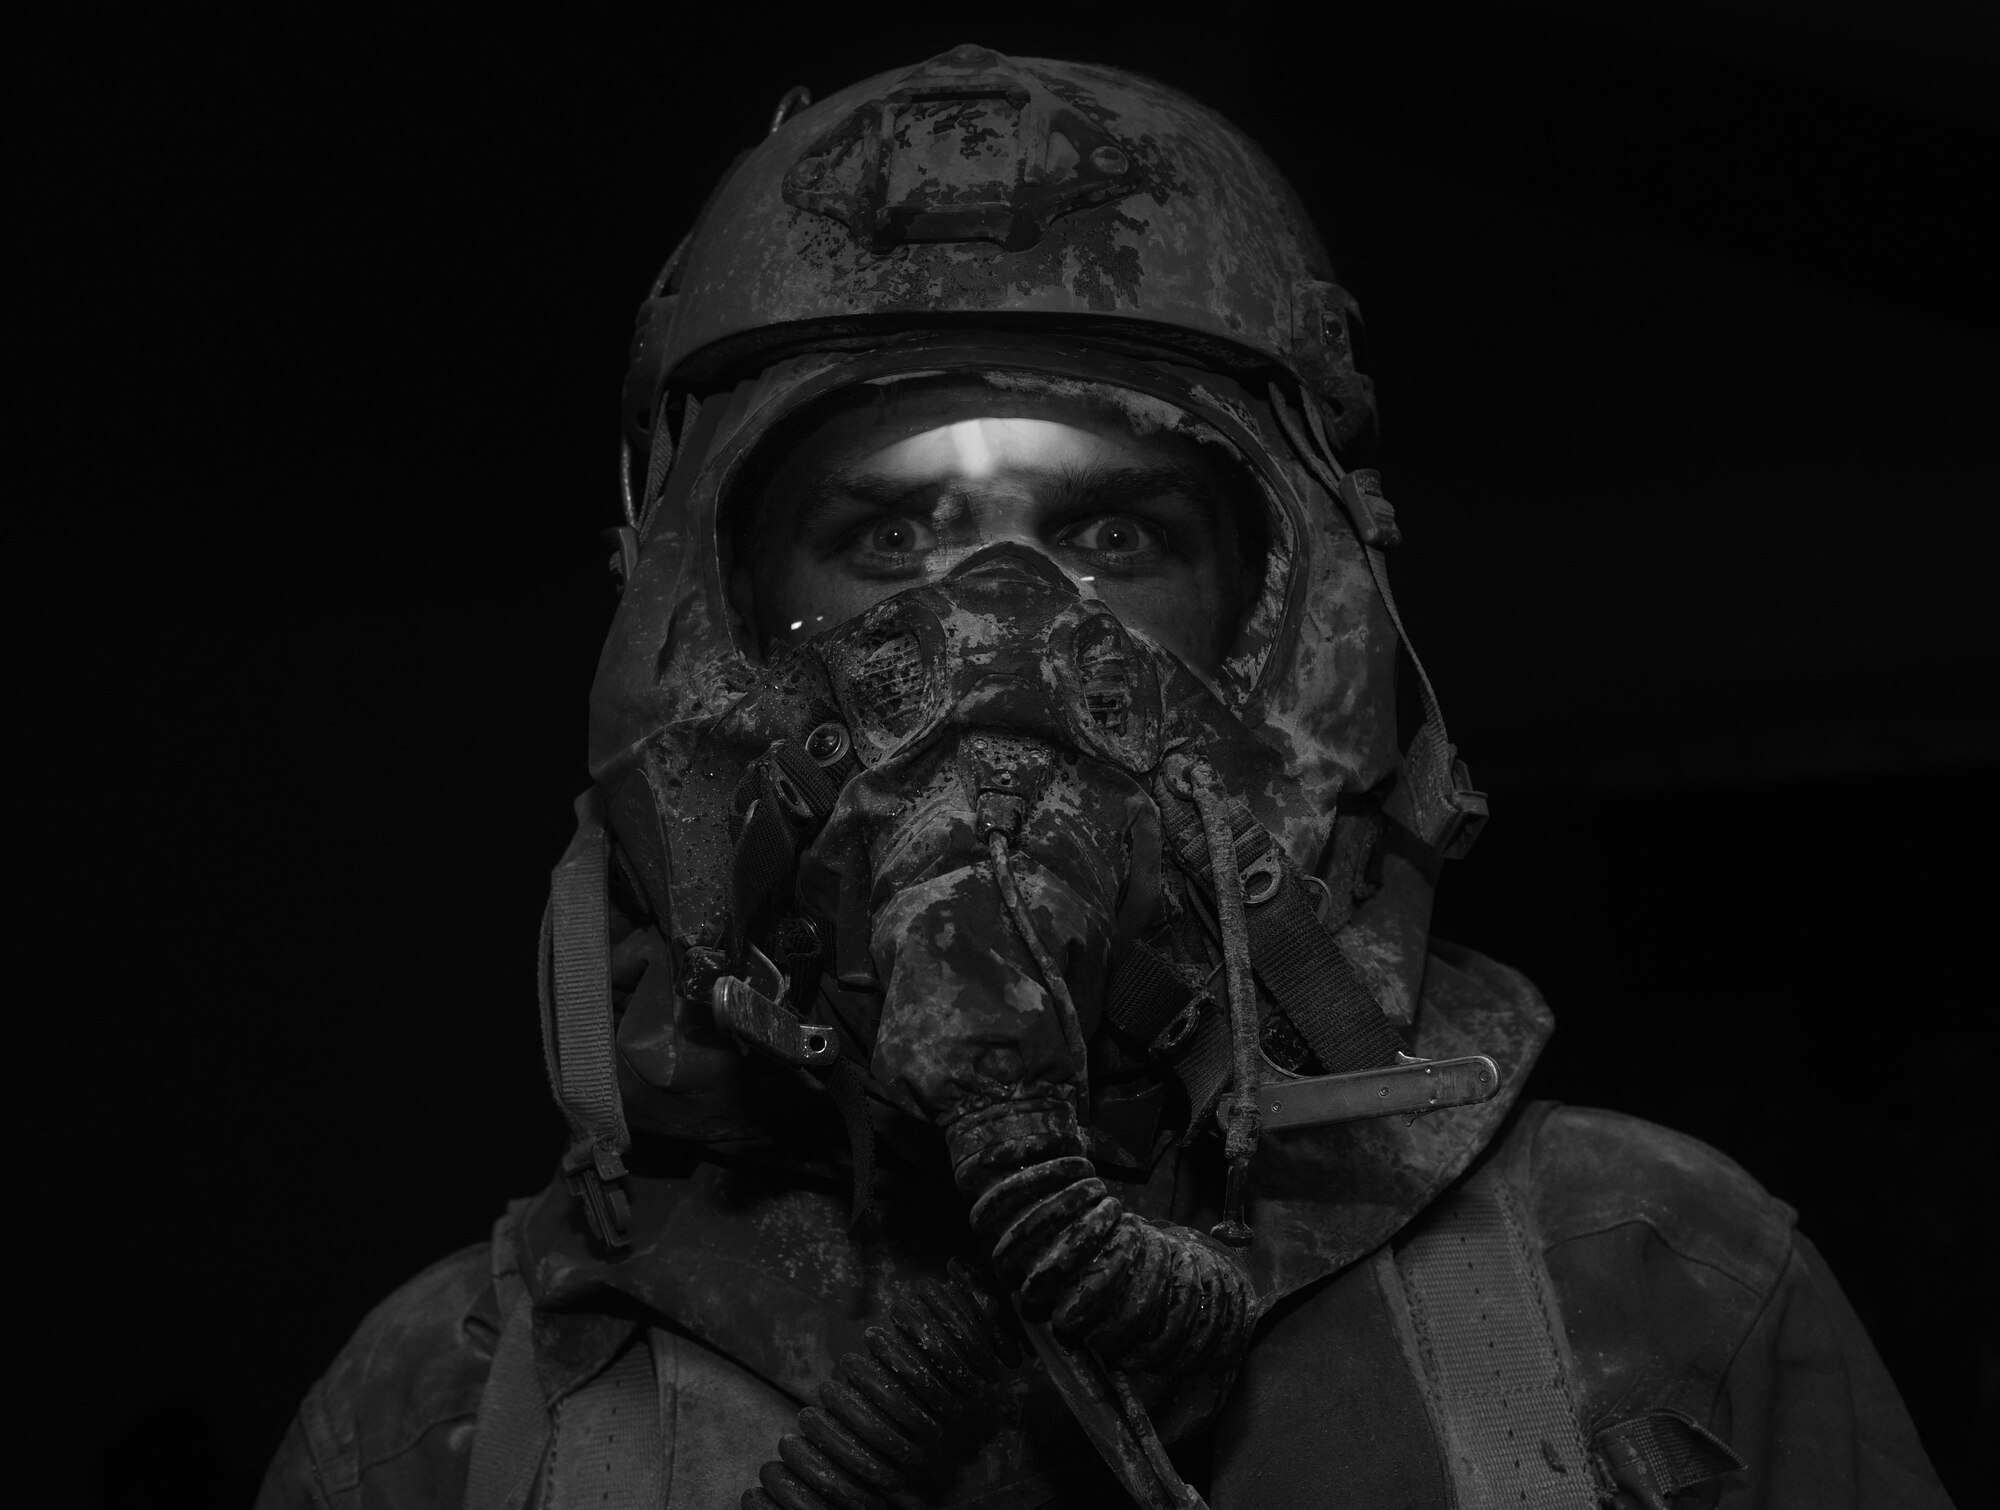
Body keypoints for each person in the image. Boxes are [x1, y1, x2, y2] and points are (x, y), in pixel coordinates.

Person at [256, 45, 1951, 1510]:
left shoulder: (1652, 1294)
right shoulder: (457, 1412)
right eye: (888, 531)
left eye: (1113, 531)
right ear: (707, 634)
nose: (1002, 631)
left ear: (1286, 633)